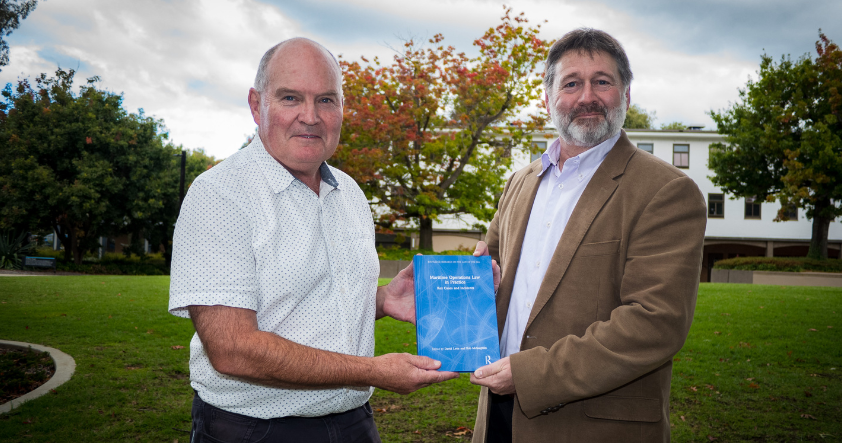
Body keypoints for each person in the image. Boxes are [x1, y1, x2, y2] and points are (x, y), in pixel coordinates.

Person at [168, 38, 461, 443]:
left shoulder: (350, 192)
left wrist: (381, 299)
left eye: (326, 100)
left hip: (353, 421)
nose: (310, 116)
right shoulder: (220, 194)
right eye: (290, 98)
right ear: (257, 105)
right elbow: (232, 348)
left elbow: (312, 299)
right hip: (255, 429)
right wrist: (372, 371)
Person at [469, 28, 707, 442]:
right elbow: (491, 278)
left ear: (627, 96)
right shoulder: (519, 182)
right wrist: (480, 288)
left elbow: (656, 322)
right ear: (548, 100)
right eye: (572, 83)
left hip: (593, 426)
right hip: (498, 418)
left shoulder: (666, 191)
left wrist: (529, 373)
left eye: (603, 81)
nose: (587, 97)